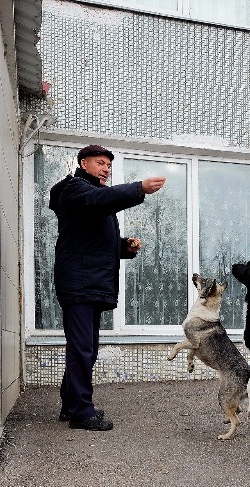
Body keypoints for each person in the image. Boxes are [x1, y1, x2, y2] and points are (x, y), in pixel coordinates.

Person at [49, 145, 166, 431]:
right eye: (100, 163)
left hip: (90, 283)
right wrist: (139, 188)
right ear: (83, 164)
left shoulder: (91, 196)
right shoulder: (75, 189)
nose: (106, 169)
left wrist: (123, 246)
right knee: (82, 349)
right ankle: (81, 412)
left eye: (108, 166)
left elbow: (95, 240)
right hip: (80, 284)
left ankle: (71, 404)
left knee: (84, 348)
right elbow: (99, 201)